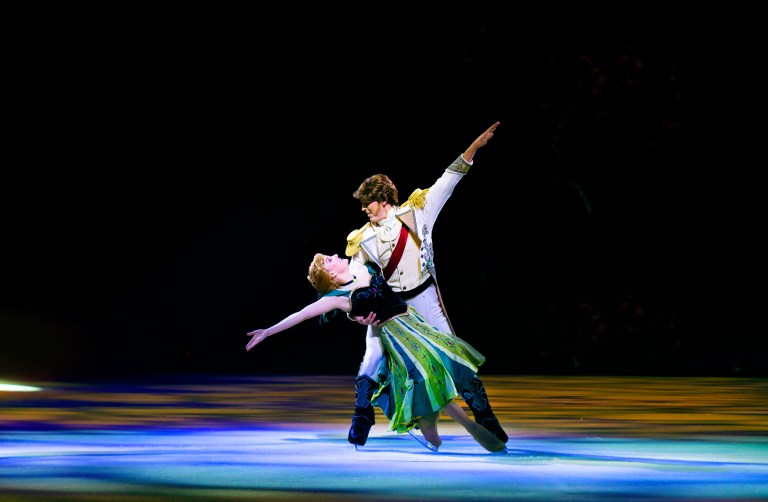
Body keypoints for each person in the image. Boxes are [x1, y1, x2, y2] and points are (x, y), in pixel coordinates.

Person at [344, 121, 508, 447]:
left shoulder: (417, 212)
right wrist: (357, 309)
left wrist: (473, 149)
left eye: (368, 203)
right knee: (371, 356)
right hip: (391, 306)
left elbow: (449, 180)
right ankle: (362, 415)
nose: (363, 209)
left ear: (383, 199)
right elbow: (355, 278)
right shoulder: (363, 239)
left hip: (424, 297)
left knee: (453, 354)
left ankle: (485, 417)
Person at [245, 254, 507, 453]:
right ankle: (467, 427)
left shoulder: (361, 263)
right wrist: (268, 331)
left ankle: (436, 432)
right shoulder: (338, 297)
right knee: (427, 377)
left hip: (414, 323)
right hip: (396, 338)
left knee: (439, 373)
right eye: (329, 260)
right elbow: (300, 315)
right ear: (331, 276)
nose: (335, 256)